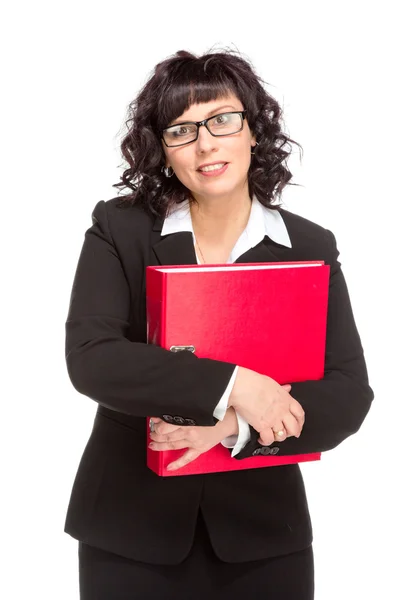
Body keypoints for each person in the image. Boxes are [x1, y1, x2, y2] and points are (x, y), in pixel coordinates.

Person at [64, 48, 374, 600]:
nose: (206, 143)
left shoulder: (307, 247)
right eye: (182, 130)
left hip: (263, 538)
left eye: (223, 120)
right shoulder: (121, 228)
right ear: (162, 150)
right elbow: (93, 356)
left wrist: (236, 425)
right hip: (129, 528)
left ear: (255, 130)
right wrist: (235, 384)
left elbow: (348, 392)